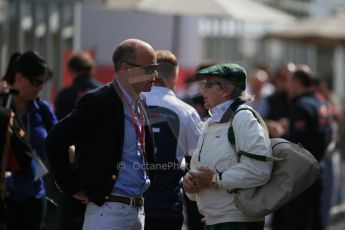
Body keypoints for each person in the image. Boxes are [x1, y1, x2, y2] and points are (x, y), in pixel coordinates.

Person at [45, 38, 157, 230]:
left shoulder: (140, 102)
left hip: (136, 209)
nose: (155, 74)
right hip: (108, 210)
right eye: (149, 68)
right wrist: (71, 187)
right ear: (125, 68)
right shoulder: (99, 101)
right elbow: (55, 140)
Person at [183, 63, 273, 230]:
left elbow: (259, 170)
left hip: (237, 221)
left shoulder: (243, 118)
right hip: (214, 220)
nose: (201, 90)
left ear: (226, 90)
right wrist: (190, 183)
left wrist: (214, 179)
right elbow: (197, 168)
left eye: (207, 85)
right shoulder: (210, 122)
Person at [142, 50, 203, 230]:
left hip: (127, 207)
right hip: (166, 208)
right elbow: (200, 154)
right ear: (174, 76)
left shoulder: (128, 106)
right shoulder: (186, 112)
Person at [1, 51, 57, 230]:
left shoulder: (42, 109)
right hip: (3, 195)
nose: (39, 87)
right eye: (35, 82)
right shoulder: (3, 107)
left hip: (33, 196)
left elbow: (60, 140)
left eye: (42, 82)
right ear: (19, 78)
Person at [278, 66, 333, 230]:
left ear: (295, 82)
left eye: (289, 82)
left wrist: (281, 134)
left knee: (299, 221)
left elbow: (297, 145)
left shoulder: (301, 106)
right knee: (316, 219)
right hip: (319, 169)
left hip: (302, 175)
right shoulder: (321, 103)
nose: (287, 86)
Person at [55, 52, 101, 120]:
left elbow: (58, 123)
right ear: (91, 69)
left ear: (71, 70)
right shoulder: (105, 91)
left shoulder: (64, 95)